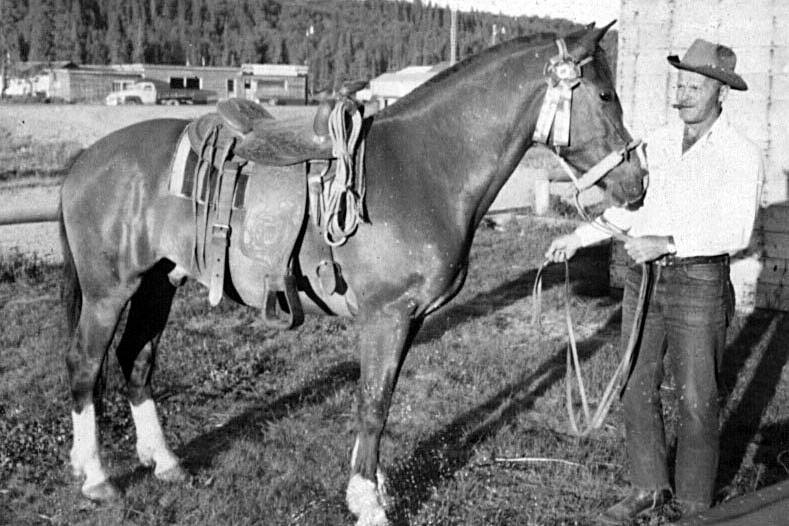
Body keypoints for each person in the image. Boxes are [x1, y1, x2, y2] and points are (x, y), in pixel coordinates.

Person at [546, 39, 764, 523]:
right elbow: (631, 210)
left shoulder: (742, 153)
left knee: (696, 395)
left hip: (699, 284)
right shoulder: (659, 143)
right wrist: (580, 238)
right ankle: (648, 486)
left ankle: (692, 503)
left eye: (694, 86)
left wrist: (666, 242)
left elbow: (736, 229)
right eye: (680, 83)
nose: (682, 94)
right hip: (643, 281)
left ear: (720, 93)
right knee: (635, 383)